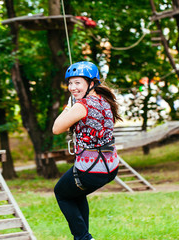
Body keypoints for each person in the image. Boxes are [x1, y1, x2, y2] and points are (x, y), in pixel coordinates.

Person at [53, 61, 122, 240]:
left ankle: (84, 238)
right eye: (70, 83)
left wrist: (69, 107)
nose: (72, 87)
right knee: (76, 193)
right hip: (110, 166)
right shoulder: (106, 101)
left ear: (91, 83)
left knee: (61, 193)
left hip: (90, 169)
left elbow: (56, 128)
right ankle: (83, 237)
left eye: (77, 82)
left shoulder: (81, 105)